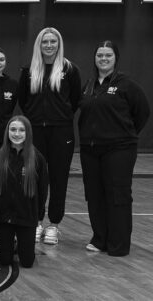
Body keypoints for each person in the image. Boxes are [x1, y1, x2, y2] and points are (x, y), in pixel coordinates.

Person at [79, 41, 149, 256]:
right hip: (90, 150)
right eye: (99, 55)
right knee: (95, 194)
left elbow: (142, 113)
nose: (103, 59)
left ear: (115, 58)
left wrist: (123, 135)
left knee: (117, 195)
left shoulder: (126, 85)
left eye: (108, 55)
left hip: (119, 149)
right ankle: (100, 239)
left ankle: (118, 244)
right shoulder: (89, 85)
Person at [18, 27, 81, 245]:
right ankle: (36, 221)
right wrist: (37, 119)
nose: (49, 45)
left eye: (53, 41)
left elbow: (74, 100)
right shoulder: (29, 70)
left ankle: (53, 225)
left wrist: (59, 117)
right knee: (34, 178)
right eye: (45, 42)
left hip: (61, 131)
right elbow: (24, 100)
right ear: (39, 44)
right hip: (36, 131)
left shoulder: (69, 69)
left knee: (58, 178)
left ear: (59, 44)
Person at [0, 116, 48, 268]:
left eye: (22, 130)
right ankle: (9, 245)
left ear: (28, 133)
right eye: (13, 129)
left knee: (27, 262)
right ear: (7, 132)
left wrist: (39, 216)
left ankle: (21, 246)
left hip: (26, 218)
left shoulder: (37, 158)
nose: (17, 133)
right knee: (5, 261)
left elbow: (43, 190)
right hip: (4, 219)